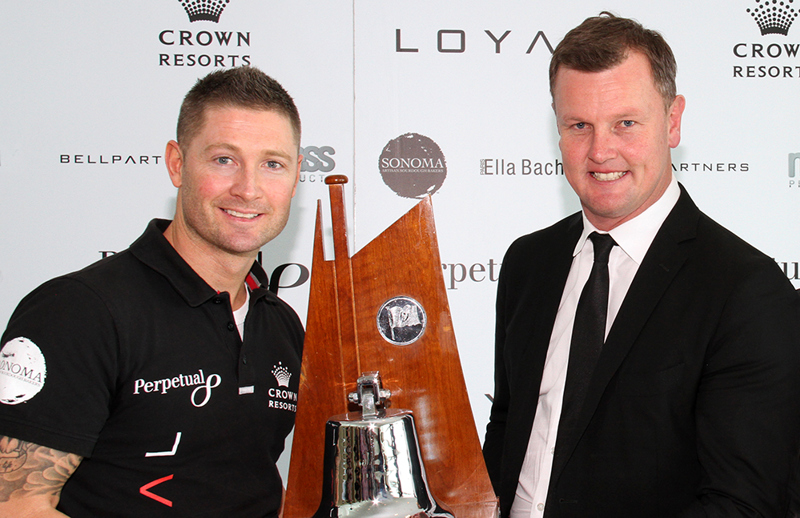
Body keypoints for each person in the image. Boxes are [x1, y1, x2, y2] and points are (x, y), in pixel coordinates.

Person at [483, 12, 800, 517]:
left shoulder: (747, 292)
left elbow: (742, 503)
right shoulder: (528, 262)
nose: (600, 149)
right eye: (578, 125)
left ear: (672, 122)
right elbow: (507, 432)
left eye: (625, 123)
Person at [0, 66, 304, 517]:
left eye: (272, 164)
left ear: (297, 174)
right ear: (177, 163)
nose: (249, 188)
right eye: (224, 159)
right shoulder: (78, 311)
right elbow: (18, 505)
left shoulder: (279, 323)